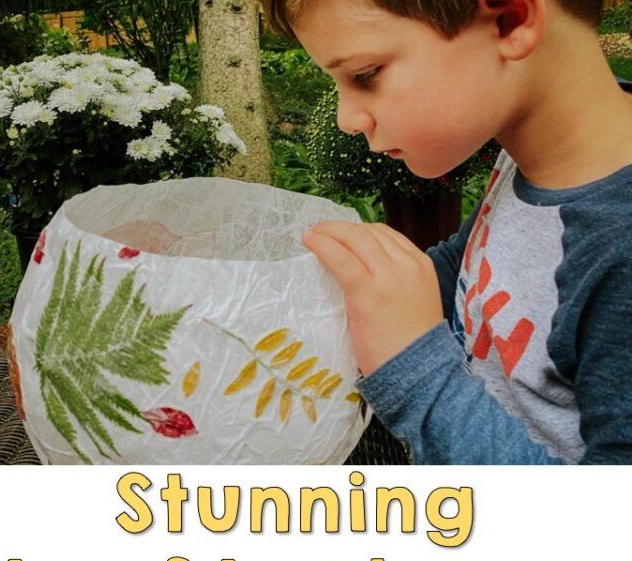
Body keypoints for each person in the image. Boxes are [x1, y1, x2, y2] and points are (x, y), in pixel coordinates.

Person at [263, 0, 632, 464]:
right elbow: (477, 269)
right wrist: (352, 287)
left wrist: (414, 369)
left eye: (366, 74)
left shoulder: (619, 239)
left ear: (510, 21)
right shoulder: (540, 156)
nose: (346, 118)